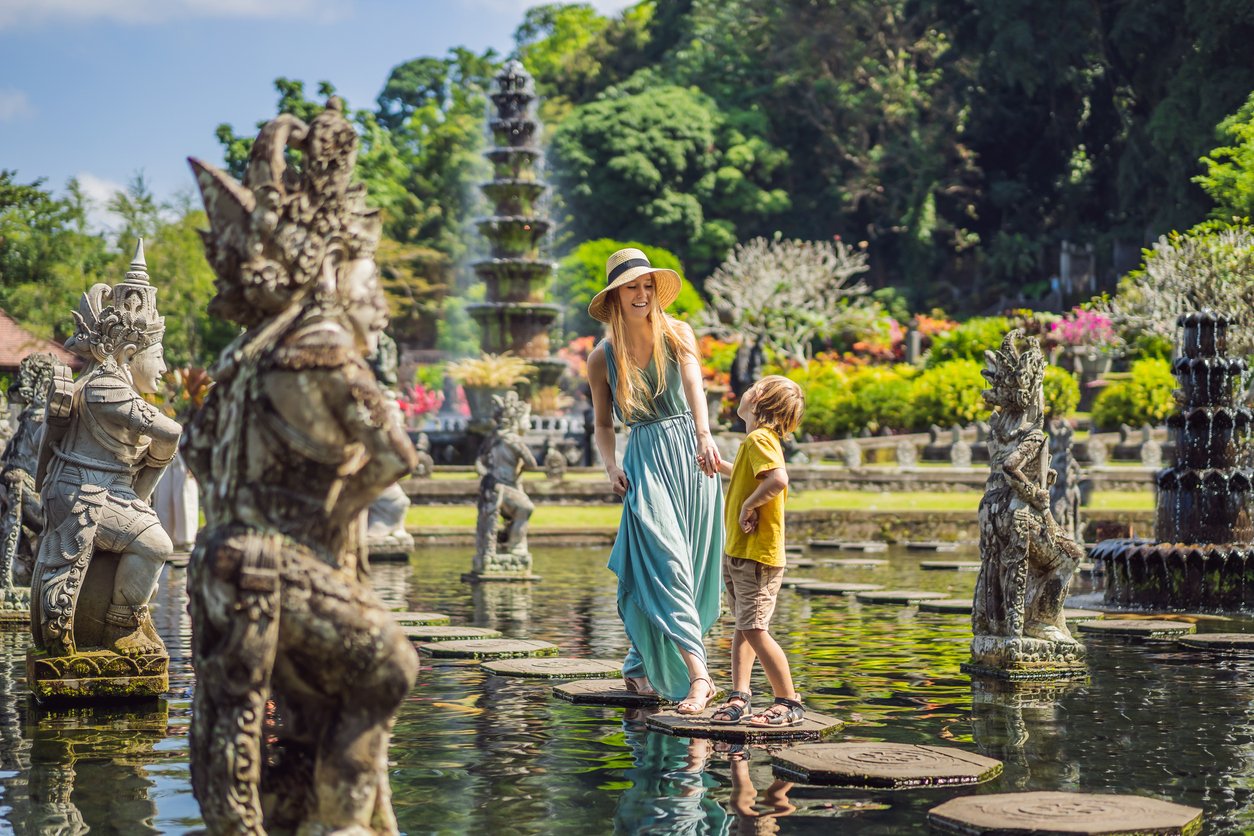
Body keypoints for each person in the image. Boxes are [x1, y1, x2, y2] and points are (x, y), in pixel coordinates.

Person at [586, 247, 724, 713]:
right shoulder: (602, 357)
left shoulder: (678, 333)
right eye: (633, 287)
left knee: (691, 569)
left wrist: (705, 436)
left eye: (648, 286)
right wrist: (611, 466)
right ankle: (700, 677)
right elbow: (603, 424)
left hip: (691, 457)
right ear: (615, 297)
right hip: (644, 463)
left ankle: (637, 665)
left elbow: (694, 388)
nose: (642, 294)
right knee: (663, 563)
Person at [706, 375, 807, 727]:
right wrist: (722, 468)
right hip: (740, 551)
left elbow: (778, 479)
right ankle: (741, 695)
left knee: (754, 628)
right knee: (744, 626)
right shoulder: (754, 442)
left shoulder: (760, 437)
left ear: (759, 397)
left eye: (752, 386)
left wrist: (749, 506)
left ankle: (788, 700)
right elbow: (754, 475)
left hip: (756, 555)